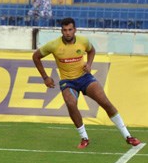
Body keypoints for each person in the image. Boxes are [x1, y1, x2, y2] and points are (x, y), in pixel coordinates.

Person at [33, 18, 141, 149]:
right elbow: (36, 56)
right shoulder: (53, 45)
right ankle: (84, 138)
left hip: (85, 78)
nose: (67, 33)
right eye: (65, 30)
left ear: (75, 30)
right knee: (71, 104)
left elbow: (92, 50)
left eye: (70, 30)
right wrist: (45, 77)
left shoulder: (83, 41)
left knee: (105, 103)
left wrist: (89, 64)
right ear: (61, 31)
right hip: (68, 82)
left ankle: (128, 136)